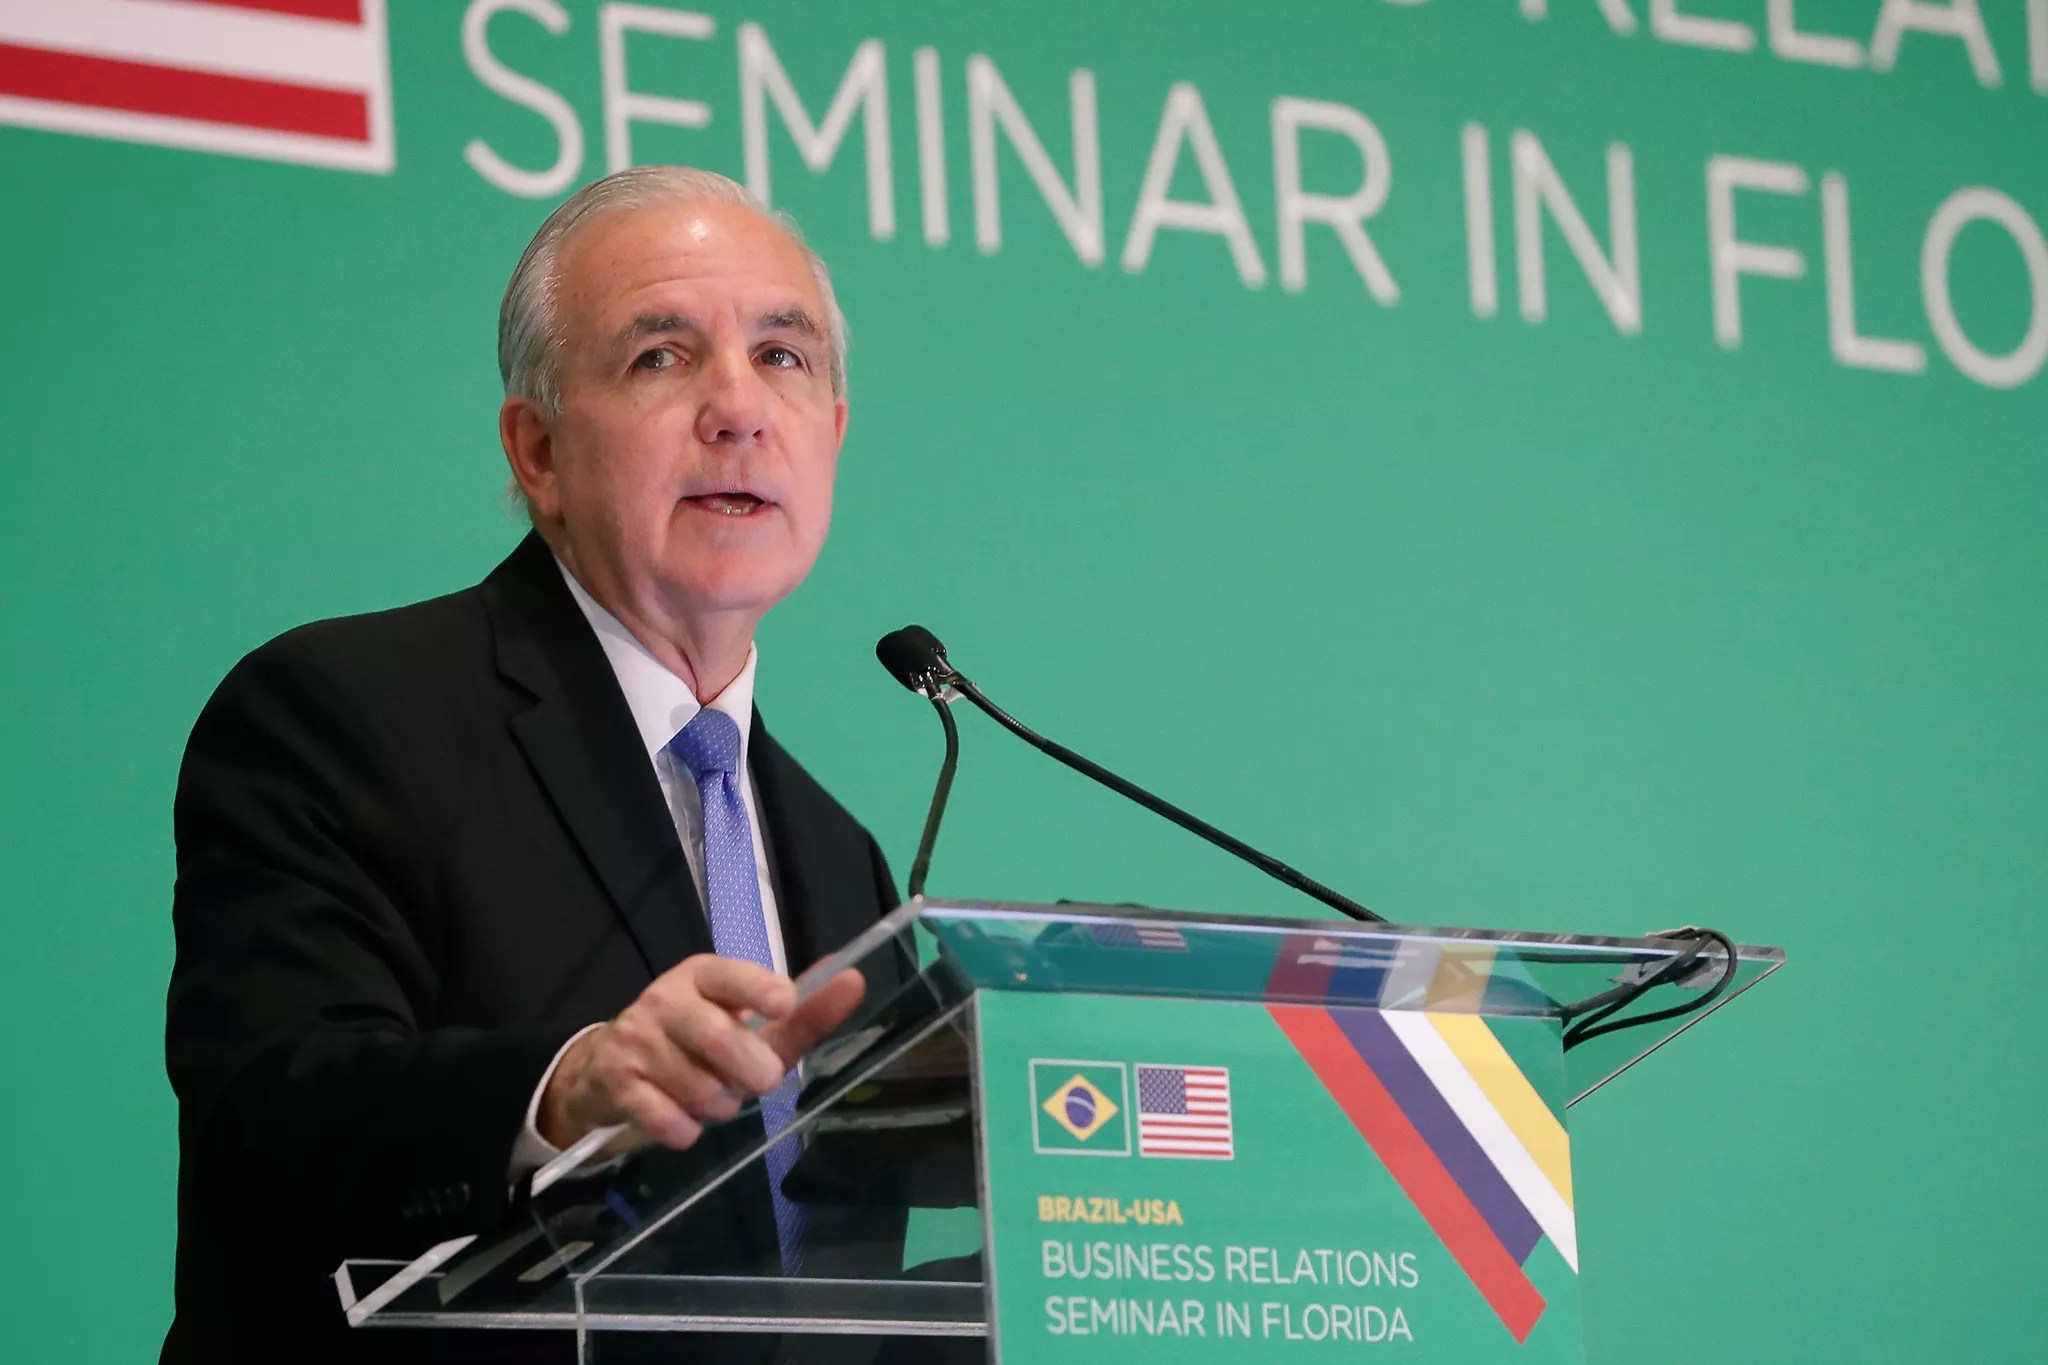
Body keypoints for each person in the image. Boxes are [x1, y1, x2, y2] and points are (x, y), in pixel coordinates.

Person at [162, 167, 904, 1364]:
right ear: (540, 449)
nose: (738, 408)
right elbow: (267, 1113)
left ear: (831, 433)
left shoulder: (836, 854)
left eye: (783, 356)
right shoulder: (344, 713)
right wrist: (566, 1088)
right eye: (661, 357)